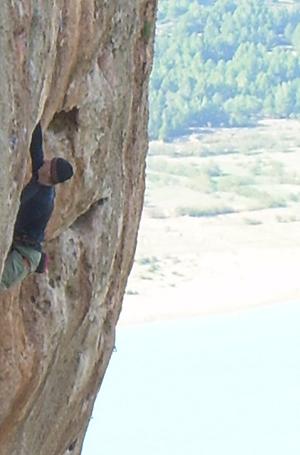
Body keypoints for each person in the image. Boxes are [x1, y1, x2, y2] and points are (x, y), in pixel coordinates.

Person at [0, 122, 74, 291]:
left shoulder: (42, 200)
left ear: (49, 173)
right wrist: (36, 120)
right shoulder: (41, 177)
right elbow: (36, 148)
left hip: (25, 255)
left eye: (50, 163)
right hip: (21, 245)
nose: (46, 160)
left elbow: (15, 219)